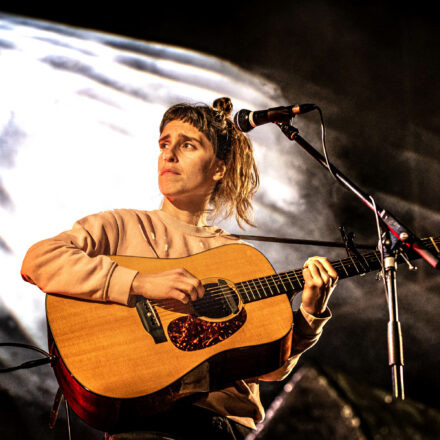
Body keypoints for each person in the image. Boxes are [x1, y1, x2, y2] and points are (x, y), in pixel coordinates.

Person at [21, 97, 338, 440]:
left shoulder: (239, 258)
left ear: (218, 168)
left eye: (187, 145)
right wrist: (140, 283)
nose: (168, 155)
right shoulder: (122, 226)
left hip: (225, 428)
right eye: (164, 144)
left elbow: (270, 369)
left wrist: (309, 315)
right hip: (145, 423)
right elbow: (39, 260)